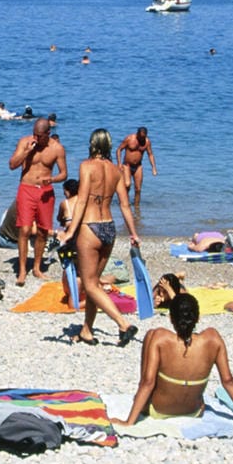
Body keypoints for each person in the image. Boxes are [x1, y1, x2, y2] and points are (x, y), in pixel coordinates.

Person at [122, 292, 233, 426]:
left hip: (158, 410)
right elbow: (228, 381)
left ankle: (142, 403)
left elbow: (148, 382)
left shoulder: (159, 338)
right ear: (198, 317)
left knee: (150, 334)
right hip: (194, 412)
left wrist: (129, 422)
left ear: (171, 318)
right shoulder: (213, 338)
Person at [59, 129, 142, 346]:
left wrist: (69, 232)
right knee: (94, 282)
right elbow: (125, 205)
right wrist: (133, 233)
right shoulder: (116, 170)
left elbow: (83, 201)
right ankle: (87, 331)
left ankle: (123, 324)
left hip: (90, 227)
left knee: (89, 284)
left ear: (92, 144)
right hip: (109, 229)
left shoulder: (87, 166)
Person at [7, 117, 67, 287]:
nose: (36, 138)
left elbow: (64, 174)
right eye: (34, 134)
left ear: (48, 134)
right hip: (26, 188)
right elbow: (12, 165)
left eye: (39, 136)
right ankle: (22, 270)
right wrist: (26, 152)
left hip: (45, 192)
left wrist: (52, 179)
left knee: (42, 231)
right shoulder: (25, 142)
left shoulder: (57, 148)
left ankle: (37, 267)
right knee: (25, 229)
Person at [119, 127, 158, 205]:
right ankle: (125, 204)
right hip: (127, 165)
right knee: (127, 185)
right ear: (137, 134)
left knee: (138, 189)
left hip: (138, 166)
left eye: (143, 137)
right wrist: (119, 163)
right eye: (140, 137)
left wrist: (153, 167)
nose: (141, 139)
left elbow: (150, 154)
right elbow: (119, 150)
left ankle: (137, 208)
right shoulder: (129, 139)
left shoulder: (147, 142)